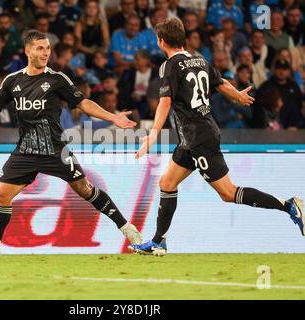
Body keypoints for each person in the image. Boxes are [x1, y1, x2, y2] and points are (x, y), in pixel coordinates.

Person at [0, 30, 142, 262]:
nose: (45, 52)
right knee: (1, 195)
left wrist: (114, 118)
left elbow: (83, 102)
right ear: (27, 51)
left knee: (85, 189)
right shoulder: (12, 81)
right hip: (26, 150)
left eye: (47, 48)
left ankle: (128, 230)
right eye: (40, 48)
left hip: (55, 149)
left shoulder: (57, 79)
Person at [129, 18, 304, 256]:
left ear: (161, 41)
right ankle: (159, 241)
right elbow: (220, 83)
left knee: (228, 193)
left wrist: (153, 135)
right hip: (193, 137)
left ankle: (289, 205)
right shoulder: (200, 59)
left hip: (199, 137)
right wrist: (238, 97)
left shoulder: (168, 66)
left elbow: (165, 101)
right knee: (167, 183)